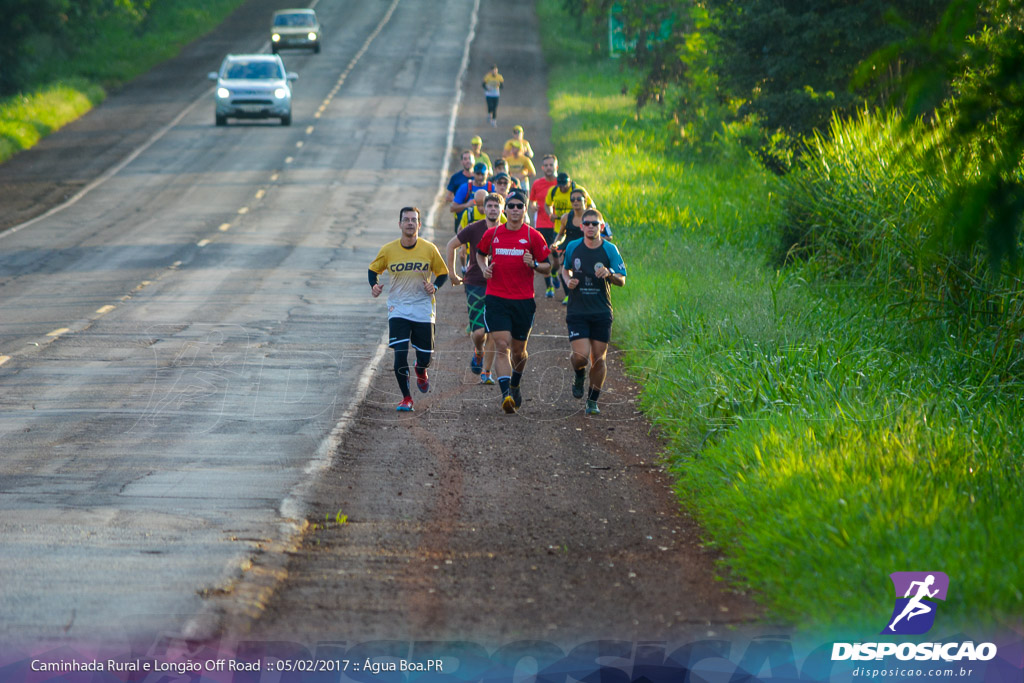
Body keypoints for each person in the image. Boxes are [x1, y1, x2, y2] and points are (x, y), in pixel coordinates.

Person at [476, 189, 552, 413]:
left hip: (523, 301)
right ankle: (506, 395)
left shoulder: (533, 236)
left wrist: (534, 265)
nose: (516, 210)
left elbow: (548, 267)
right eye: (512, 206)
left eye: (520, 206)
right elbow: (480, 254)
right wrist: (484, 268)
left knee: (519, 352)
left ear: (525, 209)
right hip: (497, 297)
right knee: (501, 345)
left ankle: (515, 382)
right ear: (505, 210)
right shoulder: (493, 234)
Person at [369, 207, 449, 411]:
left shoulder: (429, 249)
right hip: (399, 309)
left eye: (414, 220)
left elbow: (442, 273)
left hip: (423, 308)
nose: (410, 223)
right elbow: (373, 270)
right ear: (400, 224)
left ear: (419, 225)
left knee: (425, 357)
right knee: (400, 353)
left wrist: (435, 286)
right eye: (406, 220)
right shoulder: (388, 250)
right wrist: (374, 285)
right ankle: (406, 398)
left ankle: (421, 370)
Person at [561, 208, 626, 416]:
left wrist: (610, 274)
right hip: (578, 310)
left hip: (601, 311)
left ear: (601, 226)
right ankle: (579, 375)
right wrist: (567, 280)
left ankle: (592, 400)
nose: (590, 227)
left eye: (594, 224)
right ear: (582, 227)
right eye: (587, 223)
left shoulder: (610, 250)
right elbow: (565, 268)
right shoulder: (573, 247)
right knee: (580, 357)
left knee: (599, 358)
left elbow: (622, 280)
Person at [445, 193, 508, 385]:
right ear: (484, 208)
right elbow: (451, 245)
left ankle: (486, 372)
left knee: (492, 330)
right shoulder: (474, 229)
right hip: (475, 282)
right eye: (489, 206)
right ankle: (478, 352)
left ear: (501, 210)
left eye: (496, 207)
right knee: (479, 332)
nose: (492, 209)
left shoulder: (507, 231)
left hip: (499, 284)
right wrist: (452, 273)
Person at [529, 154, 560, 297]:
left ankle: (554, 272)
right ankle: (549, 287)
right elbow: (532, 201)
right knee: (544, 256)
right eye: (546, 165)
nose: (548, 167)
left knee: (557, 258)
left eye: (551, 165)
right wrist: (533, 206)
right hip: (541, 224)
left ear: (556, 167)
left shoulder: (561, 183)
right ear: (542, 168)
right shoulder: (537, 183)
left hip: (559, 226)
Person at [552, 188, 590, 304]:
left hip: (586, 247)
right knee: (564, 268)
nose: (575, 202)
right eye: (573, 199)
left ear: (585, 200)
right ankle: (569, 294)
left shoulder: (592, 216)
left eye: (579, 199)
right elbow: (560, 234)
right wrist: (555, 243)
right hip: (569, 246)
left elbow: (605, 234)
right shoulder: (566, 217)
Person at [451, 162, 494, 230]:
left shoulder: (492, 188)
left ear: (487, 174)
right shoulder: (465, 188)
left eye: (482, 174)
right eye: (478, 174)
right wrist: (466, 205)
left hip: (487, 226)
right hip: (466, 224)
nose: (480, 177)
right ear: (473, 174)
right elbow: (452, 208)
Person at [446, 150, 476, 231]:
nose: (467, 161)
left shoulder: (480, 178)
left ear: (474, 160)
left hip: (477, 216)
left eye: (469, 158)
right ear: (461, 162)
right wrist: (460, 202)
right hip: (460, 215)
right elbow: (448, 197)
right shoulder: (456, 177)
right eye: (465, 159)